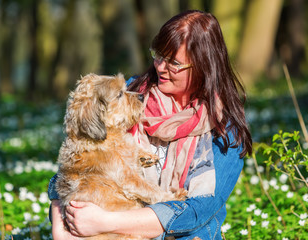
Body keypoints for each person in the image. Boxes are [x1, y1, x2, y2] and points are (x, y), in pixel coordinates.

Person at [48, 9, 252, 240]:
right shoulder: (131, 94)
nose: (161, 67)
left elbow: (198, 211)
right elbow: (78, 165)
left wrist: (105, 222)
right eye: (158, 55)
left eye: (174, 62)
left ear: (204, 65)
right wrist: (60, 226)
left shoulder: (225, 131)